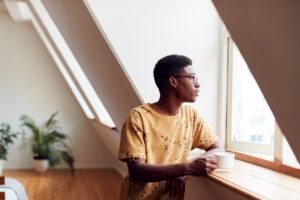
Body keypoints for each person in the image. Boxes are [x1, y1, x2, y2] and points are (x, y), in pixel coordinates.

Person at [118, 54, 223, 200]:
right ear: (173, 81)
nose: (198, 84)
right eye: (192, 77)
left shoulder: (191, 115)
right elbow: (137, 172)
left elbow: (217, 148)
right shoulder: (138, 117)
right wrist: (186, 168)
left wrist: (184, 173)